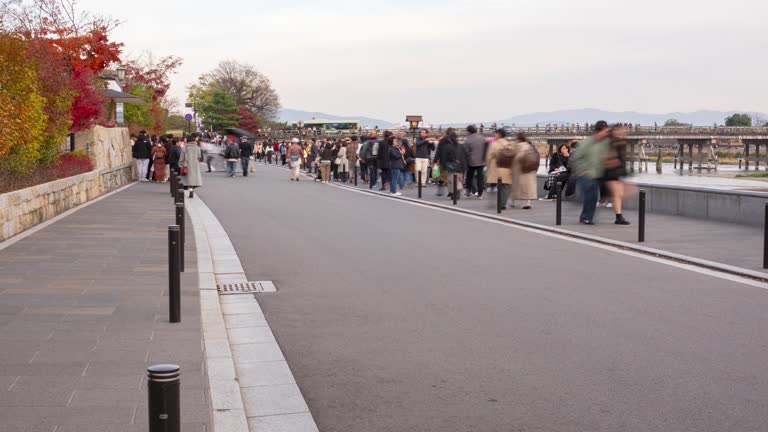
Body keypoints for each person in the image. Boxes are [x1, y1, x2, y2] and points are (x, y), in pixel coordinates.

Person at [571, 120, 611, 225]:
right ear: (599, 131)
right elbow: (576, 157)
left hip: (596, 174)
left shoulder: (604, 143)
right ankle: (586, 217)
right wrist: (583, 169)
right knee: (591, 195)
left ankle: (586, 217)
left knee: (593, 196)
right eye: (605, 131)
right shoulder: (588, 142)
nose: (607, 133)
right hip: (585, 174)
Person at [603, 125, 630, 225]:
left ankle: (618, 216)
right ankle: (618, 217)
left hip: (617, 172)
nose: (622, 133)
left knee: (619, 194)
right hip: (611, 172)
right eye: (619, 131)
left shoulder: (620, 142)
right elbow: (606, 158)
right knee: (617, 194)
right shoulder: (610, 143)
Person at [485, 129, 514, 209]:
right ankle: (503, 203)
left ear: (499, 134)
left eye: (495, 134)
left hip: (497, 167)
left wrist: (487, 166)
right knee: (505, 186)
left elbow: (489, 157)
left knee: (500, 185)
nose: (495, 135)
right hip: (507, 167)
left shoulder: (494, 144)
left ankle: (501, 204)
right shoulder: (510, 144)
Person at [433, 128, 466, 199]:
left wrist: (435, 160)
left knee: (446, 177)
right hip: (458, 163)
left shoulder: (442, 141)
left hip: (445, 161)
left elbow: (438, 151)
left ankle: (446, 190)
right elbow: (463, 155)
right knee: (455, 178)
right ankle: (453, 191)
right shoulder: (459, 145)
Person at [510, 133, 537, 209]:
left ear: (518, 139)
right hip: (530, 169)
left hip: (520, 169)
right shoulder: (529, 146)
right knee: (529, 186)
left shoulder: (518, 146)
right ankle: (528, 203)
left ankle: (513, 201)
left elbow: (515, 157)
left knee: (516, 186)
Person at [463, 125, 487, 199]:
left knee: (469, 177)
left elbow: (465, 151)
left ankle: (468, 192)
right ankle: (480, 194)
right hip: (481, 161)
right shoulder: (482, 138)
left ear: (469, 131)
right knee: (480, 178)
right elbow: (486, 148)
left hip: (471, 161)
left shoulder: (468, 140)